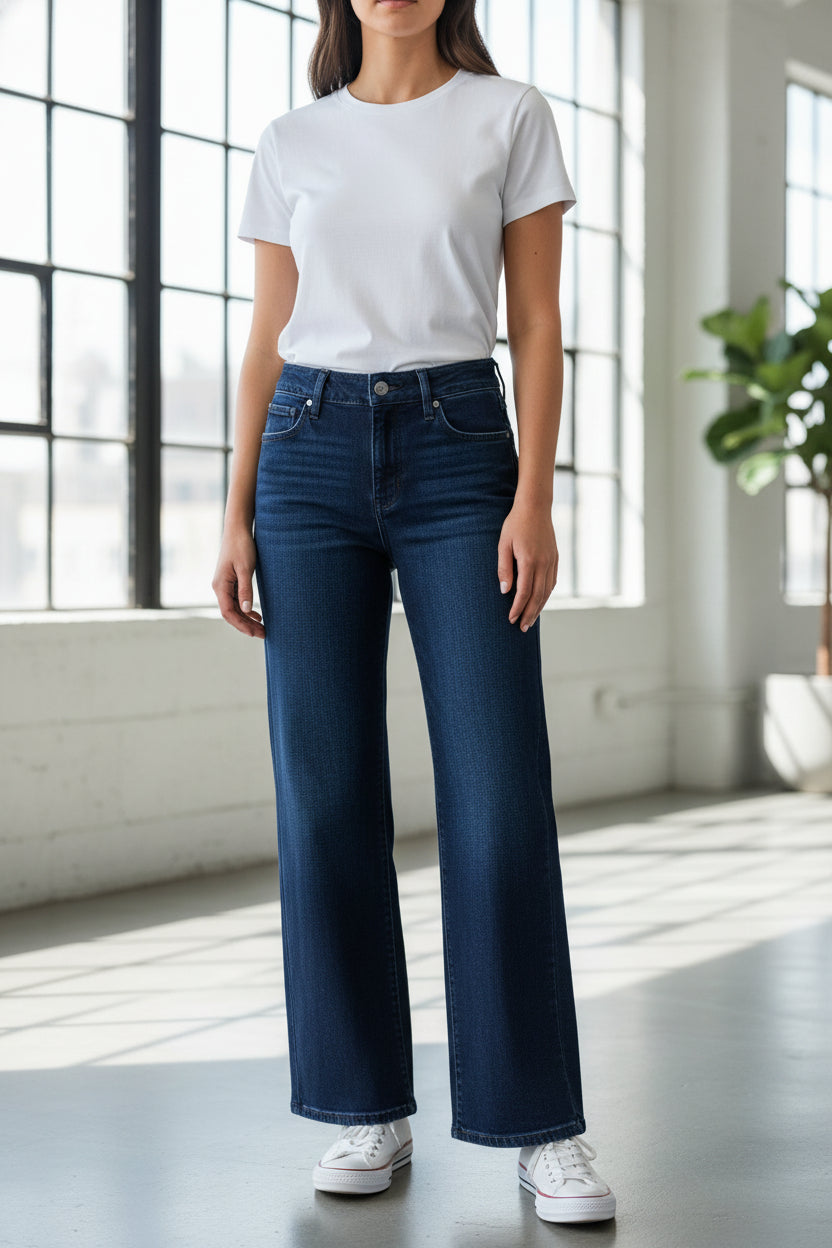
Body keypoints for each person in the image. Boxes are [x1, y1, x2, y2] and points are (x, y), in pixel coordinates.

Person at [212, 0, 616, 1227]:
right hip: (306, 454)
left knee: (496, 792)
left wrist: (534, 496)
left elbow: (536, 323)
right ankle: (361, 1106)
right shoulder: (292, 140)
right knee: (325, 793)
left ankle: (540, 1123)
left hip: (458, 449)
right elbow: (267, 338)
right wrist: (234, 512)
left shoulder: (508, 115)